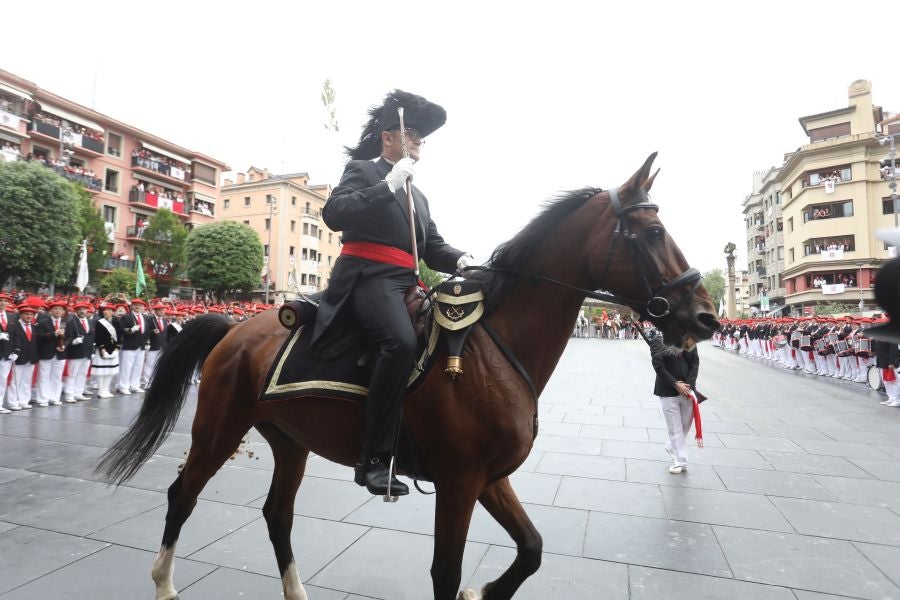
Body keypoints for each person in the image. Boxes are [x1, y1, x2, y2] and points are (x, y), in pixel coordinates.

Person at [311, 90, 473, 497]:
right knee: (399, 343)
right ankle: (375, 460)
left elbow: (432, 248)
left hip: (407, 281)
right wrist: (386, 185)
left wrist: (464, 260)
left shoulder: (418, 195)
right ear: (389, 136)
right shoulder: (364, 170)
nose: (420, 141)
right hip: (367, 276)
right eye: (414, 133)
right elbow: (335, 214)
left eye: (421, 136)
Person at [650, 335, 700, 474]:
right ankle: (680, 461)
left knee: (685, 425)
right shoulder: (658, 340)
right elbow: (658, 366)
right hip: (668, 390)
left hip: (687, 390)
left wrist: (688, 386)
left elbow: (695, 362)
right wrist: (675, 384)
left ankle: (671, 446)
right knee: (675, 428)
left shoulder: (689, 338)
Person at [35, 300, 68, 406]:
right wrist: (54, 333)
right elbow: (39, 337)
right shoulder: (43, 322)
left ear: (63, 311)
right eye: (55, 309)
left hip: (60, 353)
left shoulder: (66, 322)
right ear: (51, 311)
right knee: (44, 376)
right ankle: (43, 398)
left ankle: (54, 397)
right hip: (46, 353)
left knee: (57, 377)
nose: (58, 311)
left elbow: (71, 336)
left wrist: (64, 345)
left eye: (60, 309)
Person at [63, 302, 95, 402]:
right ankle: (69, 395)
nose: (82, 311)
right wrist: (73, 341)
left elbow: (92, 337)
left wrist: (92, 350)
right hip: (75, 353)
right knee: (72, 374)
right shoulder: (71, 322)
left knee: (82, 374)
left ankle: (78, 393)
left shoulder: (91, 322)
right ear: (76, 311)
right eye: (79, 309)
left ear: (87, 310)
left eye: (84, 309)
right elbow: (67, 337)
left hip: (87, 353)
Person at [92, 302, 122, 398]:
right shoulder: (99, 322)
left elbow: (120, 336)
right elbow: (98, 337)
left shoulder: (117, 322)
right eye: (105, 310)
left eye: (109, 310)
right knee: (101, 372)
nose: (107, 312)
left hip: (113, 350)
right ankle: (101, 390)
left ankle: (106, 389)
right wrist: (103, 350)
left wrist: (117, 349)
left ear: (113, 312)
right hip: (102, 349)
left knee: (110, 371)